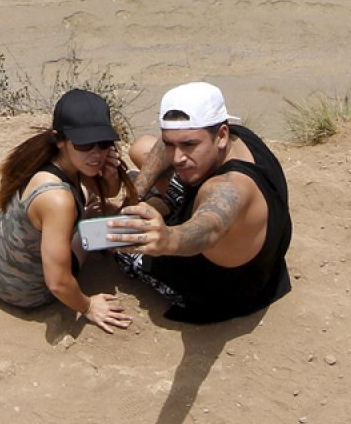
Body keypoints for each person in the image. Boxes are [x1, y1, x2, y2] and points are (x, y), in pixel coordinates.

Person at [109, 82, 292, 323]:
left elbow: (209, 227)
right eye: (170, 143)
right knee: (141, 146)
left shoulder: (226, 188)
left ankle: (161, 208)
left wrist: (167, 240)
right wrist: (135, 195)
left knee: (114, 245)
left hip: (223, 292)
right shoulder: (236, 134)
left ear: (222, 136)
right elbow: (168, 144)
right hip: (265, 265)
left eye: (189, 145)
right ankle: (159, 202)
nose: (177, 157)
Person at [0, 89, 134, 333]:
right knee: (101, 226)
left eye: (103, 143)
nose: (97, 153)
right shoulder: (57, 200)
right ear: (60, 139)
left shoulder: (44, 155)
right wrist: (89, 305)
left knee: (89, 205)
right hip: (23, 290)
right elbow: (58, 283)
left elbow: (108, 192)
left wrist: (110, 174)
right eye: (84, 144)